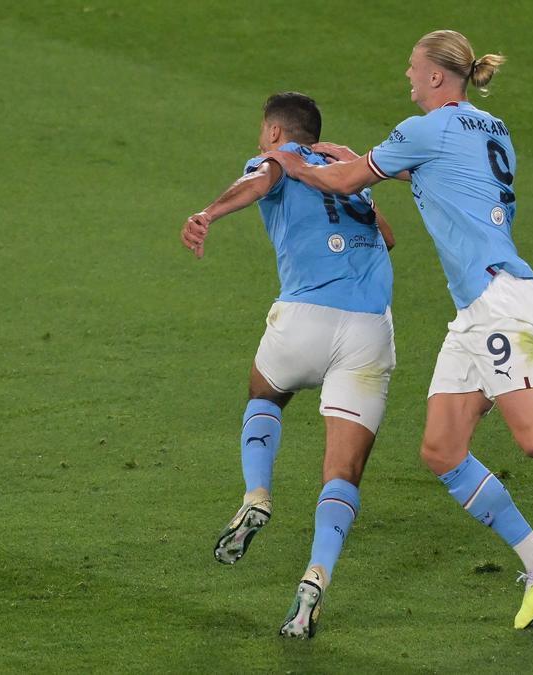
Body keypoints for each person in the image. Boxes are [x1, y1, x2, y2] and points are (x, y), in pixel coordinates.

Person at [263, 30, 533, 629]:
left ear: (437, 78)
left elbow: (349, 184)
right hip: (476, 311)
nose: (406, 76)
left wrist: (294, 160)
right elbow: (443, 175)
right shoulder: (489, 127)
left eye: (413, 69)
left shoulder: (424, 129)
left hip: (501, 300)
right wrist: (358, 158)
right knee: (442, 450)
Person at [182, 92, 398, 638]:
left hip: (305, 318)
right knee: (343, 471)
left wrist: (209, 212)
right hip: (370, 330)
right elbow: (389, 238)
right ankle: (314, 582)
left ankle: (257, 495)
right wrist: (351, 169)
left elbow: (256, 182)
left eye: (263, 131)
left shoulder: (279, 161)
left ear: (277, 133)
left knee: (265, 392)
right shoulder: (349, 171)